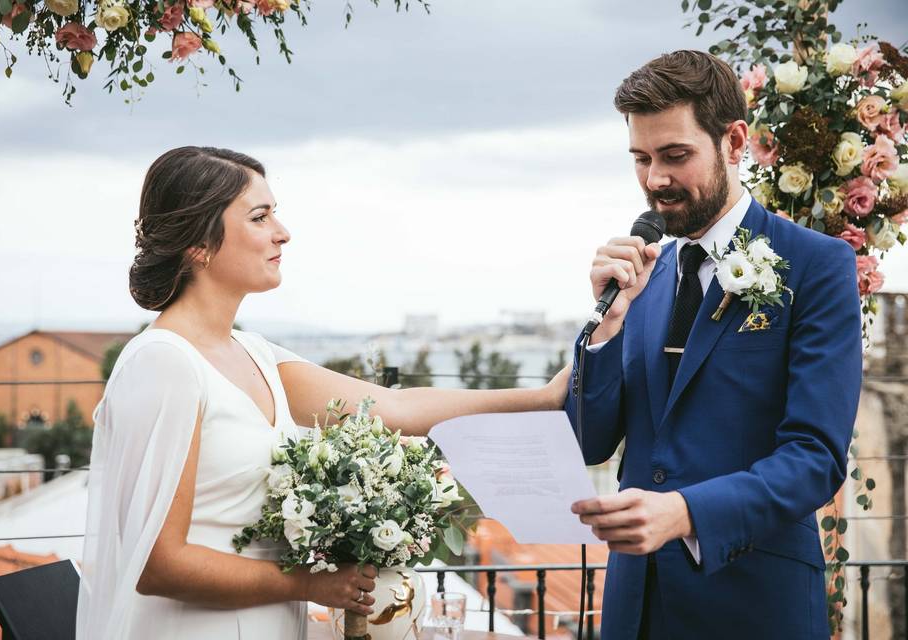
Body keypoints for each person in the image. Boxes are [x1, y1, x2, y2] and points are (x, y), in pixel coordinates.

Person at [75, 146, 572, 640]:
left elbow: (394, 407)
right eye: (260, 216)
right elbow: (159, 564)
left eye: (276, 215)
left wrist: (545, 397)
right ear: (199, 244)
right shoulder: (163, 362)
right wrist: (311, 582)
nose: (282, 232)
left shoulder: (254, 353)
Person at [565, 50, 862, 639]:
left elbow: (815, 458)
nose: (655, 180)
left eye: (676, 156)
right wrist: (605, 327)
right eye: (641, 159)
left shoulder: (816, 266)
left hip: (755, 603)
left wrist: (685, 513)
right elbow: (589, 442)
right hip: (635, 609)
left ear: (733, 141)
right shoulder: (640, 279)